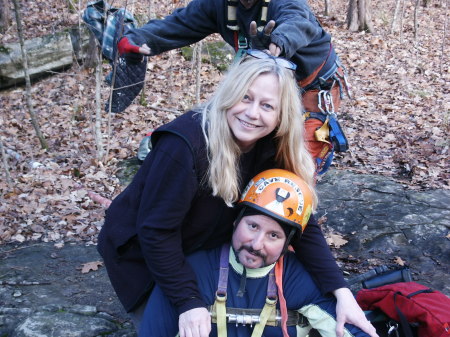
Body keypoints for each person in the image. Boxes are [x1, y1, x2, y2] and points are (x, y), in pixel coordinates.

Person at [97, 55, 376, 337]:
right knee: (171, 322)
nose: (253, 113)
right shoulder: (184, 146)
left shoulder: (272, 144)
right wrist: (188, 302)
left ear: (281, 115)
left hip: (201, 243)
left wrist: (341, 292)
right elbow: (156, 232)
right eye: (245, 98)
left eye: (267, 105)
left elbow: (299, 217)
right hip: (142, 253)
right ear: (229, 95)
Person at [116, 0, 351, 174]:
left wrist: (276, 43)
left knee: (295, 172)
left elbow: (297, 20)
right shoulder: (217, 5)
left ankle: (280, 233)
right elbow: (180, 23)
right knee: (230, 144)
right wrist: (137, 38)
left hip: (311, 86)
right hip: (261, 86)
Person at [139, 169, 373, 337]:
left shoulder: (297, 279)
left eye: (274, 236)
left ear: (287, 244)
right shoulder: (192, 273)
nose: (256, 244)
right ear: (235, 222)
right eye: (252, 226)